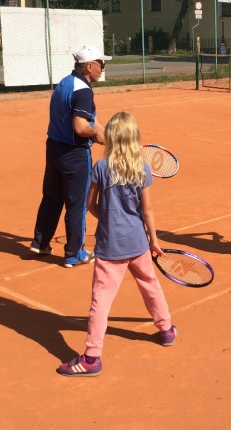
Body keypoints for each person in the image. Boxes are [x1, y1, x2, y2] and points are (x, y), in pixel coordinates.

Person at [57, 112, 175, 377]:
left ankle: (91, 358)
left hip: (110, 247)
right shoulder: (142, 169)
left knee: (101, 301)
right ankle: (166, 330)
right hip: (138, 243)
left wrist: (107, 217)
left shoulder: (101, 167)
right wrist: (153, 241)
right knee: (151, 286)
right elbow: (148, 211)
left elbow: (90, 205)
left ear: (110, 138)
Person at [30, 45, 111, 268]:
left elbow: (87, 119)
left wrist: (105, 131)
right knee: (77, 205)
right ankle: (75, 254)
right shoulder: (84, 91)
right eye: (101, 64)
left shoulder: (65, 83)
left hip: (54, 149)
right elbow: (80, 127)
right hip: (74, 155)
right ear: (90, 66)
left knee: (51, 198)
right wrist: (96, 135)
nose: (103, 69)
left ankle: (40, 242)